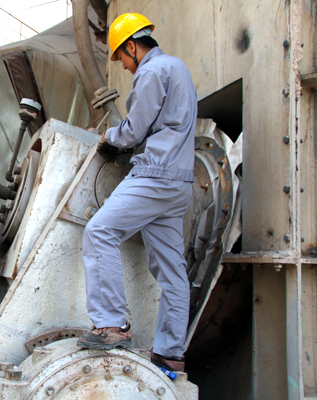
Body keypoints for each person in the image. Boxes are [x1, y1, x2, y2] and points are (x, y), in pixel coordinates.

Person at [76, 13, 197, 373]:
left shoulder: (151, 71)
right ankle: (170, 352)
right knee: (173, 273)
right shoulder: (179, 68)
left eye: (121, 58)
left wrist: (108, 137)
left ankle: (111, 325)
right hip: (180, 183)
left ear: (132, 46)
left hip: (155, 175)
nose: (125, 66)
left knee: (99, 231)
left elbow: (132, 132)